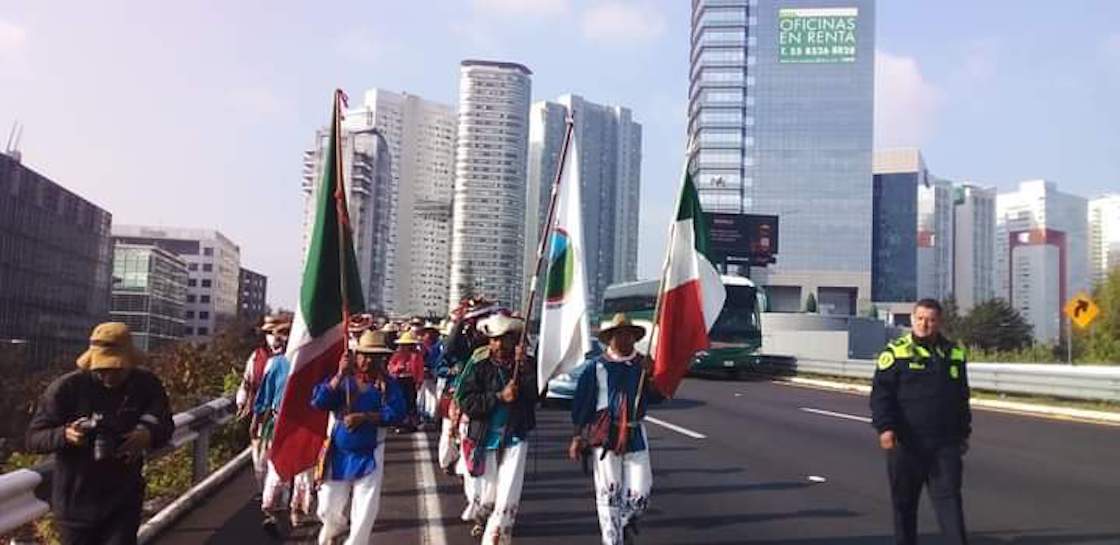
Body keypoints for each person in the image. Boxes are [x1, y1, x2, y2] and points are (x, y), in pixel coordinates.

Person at [26, 322, 174, 545]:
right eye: (102, 370)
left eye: (117, 369)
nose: (109, 376)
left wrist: (147, 435)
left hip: (123, 498)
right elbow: (33, 438)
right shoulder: (68, 389)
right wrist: (66, 435)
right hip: (76, 503)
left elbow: (166, 425)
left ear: (130, 362)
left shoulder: (145, 385)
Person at [870, 298, 972, 545]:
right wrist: (885, 428)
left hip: (944, 445)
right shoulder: (895, 352)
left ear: (939, 322)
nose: (925, 324)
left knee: (949, 502)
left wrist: (963, 433)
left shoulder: (953, 353)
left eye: (931, 320)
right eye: (921, 319)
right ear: (912, 320)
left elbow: (962, 397)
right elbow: (881, 395)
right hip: (907, 444)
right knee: (904, 505)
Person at [569, 314, 664, 545]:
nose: (624, 339)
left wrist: (652, 377)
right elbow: (582, 404)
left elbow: (657, 397)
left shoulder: (642, 364)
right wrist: (578, 436)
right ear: (610, 339)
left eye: (628, 335)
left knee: (641, 494)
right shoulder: (597, 367)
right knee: (609, 495)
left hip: (635, 434)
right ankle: (613, 540)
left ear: (634, 337)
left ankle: (624, 522)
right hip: (606, 436)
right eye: (618, 335)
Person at [312, 330, 407, 545]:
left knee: (365, 509)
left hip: (371, 453)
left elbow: (397, 413)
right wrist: (338, 375)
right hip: (338, 453)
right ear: (356, 355)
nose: (367, 361)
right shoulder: (343, 379)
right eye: (363, 355)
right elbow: (318, 402)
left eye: (373, 356)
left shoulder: (387, 385)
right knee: (326, 506)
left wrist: (365, 417)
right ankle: (334, 530)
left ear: (382, 358)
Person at [456, 313, 537, 545]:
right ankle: (483, 514)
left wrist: (525, 370)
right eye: (495, 339)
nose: (499, 345)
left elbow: (536, 396)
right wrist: (499, 397)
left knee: (507, 496)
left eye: (505, 339)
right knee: (487, 494)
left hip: (515, 435)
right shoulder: (479, 364)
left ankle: (496, 538)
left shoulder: (525, 364)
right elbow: (466, 400)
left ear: (514, 341)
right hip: (484, 436)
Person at [252, 317, 315, 535]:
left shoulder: (310, 363)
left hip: (305, 425)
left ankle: (297, 509)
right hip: (278, 425)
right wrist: (257, 420)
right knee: (276, 469)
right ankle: (273, 511)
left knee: (303, 472)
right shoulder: (276, 363)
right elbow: (266, 396)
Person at [236, 314, 286, 495]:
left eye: (278, 333)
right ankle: (264, 494)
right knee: (260, 461)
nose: (274, 337)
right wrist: (243, 403)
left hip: (287, 418)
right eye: (269, 333)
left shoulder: (293, 358)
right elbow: (247, 382)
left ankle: (279, 499)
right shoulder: (256, 357)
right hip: (263, 416)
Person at [387, 329, 425, 432]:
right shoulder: (397, 355)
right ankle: (399, 422)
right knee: (400, 400)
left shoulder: (416, 355)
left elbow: (420, 369)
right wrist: (397, 368)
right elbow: (390, 367)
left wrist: (419, 381)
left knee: (411, 402)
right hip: (399, 380)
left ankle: (411, 423)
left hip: (410, 380)